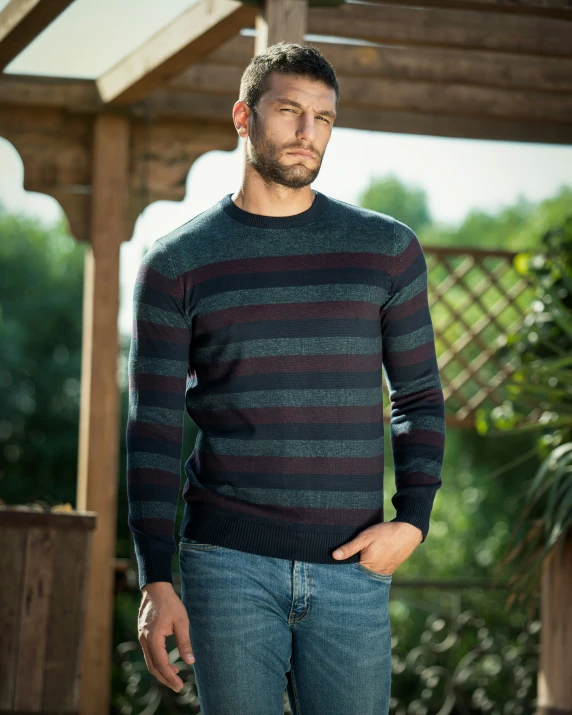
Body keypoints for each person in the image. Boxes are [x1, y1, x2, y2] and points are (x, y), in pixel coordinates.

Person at [127, 41, 446, 714]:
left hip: (354, 569)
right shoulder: (176, 263)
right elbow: (152, 430)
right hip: (225, 565)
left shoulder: (386, 251)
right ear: (244, 116)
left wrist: (413, 520)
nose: (308, 133)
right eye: (290, 111)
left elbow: (416, 396)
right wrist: (156, 576)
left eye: (324, 118)